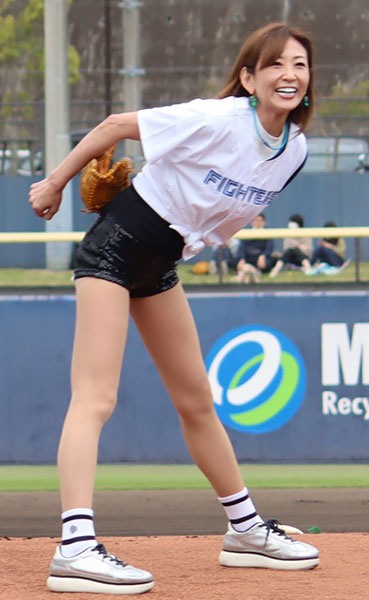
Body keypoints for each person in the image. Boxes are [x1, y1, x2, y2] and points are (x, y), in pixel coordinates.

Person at [28, 22, 320, 594]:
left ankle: (245, 530)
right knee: (95, 397)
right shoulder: (219, 118)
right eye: (275, 65)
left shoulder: (295, 150)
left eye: (300, 66)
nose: (289, 75)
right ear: (248, 78)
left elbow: (215, 215)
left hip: (159, 263)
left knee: (196, 402)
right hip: (114, 250)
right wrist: (56, 182)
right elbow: (117, 126)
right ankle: (76, 546)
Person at [235, 213, 275, 283]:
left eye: (260, 221)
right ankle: (250, 272)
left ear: (264, 222)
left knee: (268, 262)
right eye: (256, 220)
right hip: (248, 259)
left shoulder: (268, 233)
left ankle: (249, 272)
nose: (258, 223)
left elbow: (269, 248)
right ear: (252, 222)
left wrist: (263, 256)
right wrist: (242, 259)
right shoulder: (246, 233)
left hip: (259, 260)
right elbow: (241, 248)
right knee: (237, 262)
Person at [269, 213, 312, 277]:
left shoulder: (306, 234)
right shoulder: (288, 234)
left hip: (301, 258)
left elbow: (309, 250)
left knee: (296, 250)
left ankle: (308, 268)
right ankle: (276, 269)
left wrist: (298, 247)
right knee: (290, 250)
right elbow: (286, 249)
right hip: (290, 258)